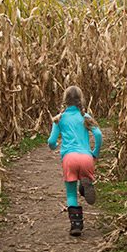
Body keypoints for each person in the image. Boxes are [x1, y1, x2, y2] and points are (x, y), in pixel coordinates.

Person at [47, 85, 102, 236]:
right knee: (84, 176)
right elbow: (98, 135)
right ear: (81, 99)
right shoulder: (85, 116)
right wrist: (94, 153)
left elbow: (51, 141)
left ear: (64, 100)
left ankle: (76, 224)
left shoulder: (60, 118)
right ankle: (84, 187)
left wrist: (55, 145)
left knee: (71, 194)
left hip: (69, 158)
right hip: (86, 158)